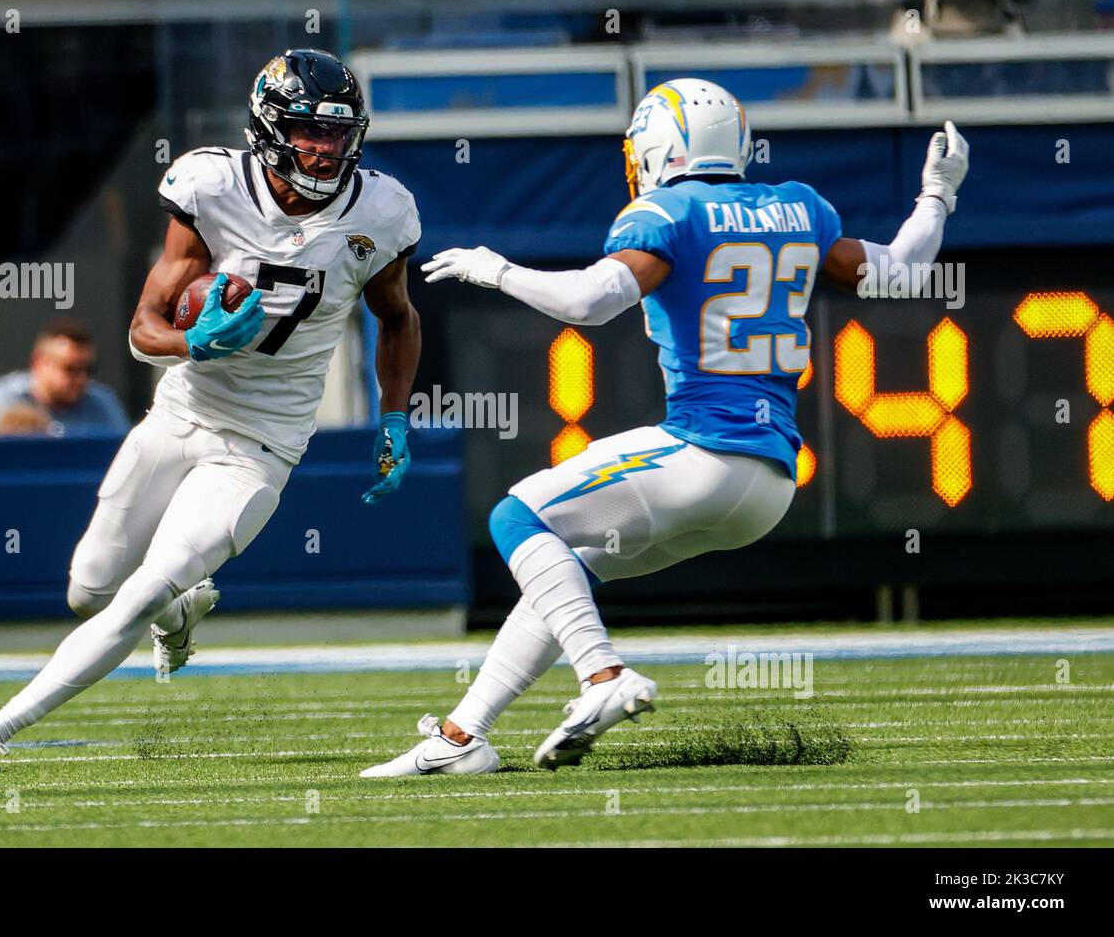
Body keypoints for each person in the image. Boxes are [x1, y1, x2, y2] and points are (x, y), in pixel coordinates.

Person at [363, 78, 970, 776]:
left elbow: (590, 301)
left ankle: (602, 677)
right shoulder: (800, 207)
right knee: (567, 572)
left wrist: (496, 269)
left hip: (703, 452)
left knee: (516, 516)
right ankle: (460, 740)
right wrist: (938, 193)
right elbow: (901, 272)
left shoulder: (669, 213)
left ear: (659, 148)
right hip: (771, 484)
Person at [0, 49, 422, 773]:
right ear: (267, 126)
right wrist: (191, 344)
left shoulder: (382, 211)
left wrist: (395, 420)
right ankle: (183, 605)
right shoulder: (211, 185)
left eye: (337, 133)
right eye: (307, 130)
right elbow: (142, 329)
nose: (324, 149)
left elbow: (398, 317)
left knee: (137, 593)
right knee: (89, 591)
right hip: (179, 413)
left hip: (259, 446)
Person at [0, 319, 128, 436]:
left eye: (88, 369)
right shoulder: (5, 399)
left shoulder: (102, 402)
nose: (81, 378)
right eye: (70, 368)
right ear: (38, 362)